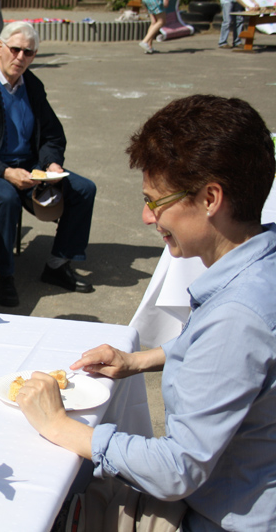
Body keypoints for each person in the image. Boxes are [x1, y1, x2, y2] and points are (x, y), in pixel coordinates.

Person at [16, 95, 276, 531]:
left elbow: (177, 469)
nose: (145, 216)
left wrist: (61, 426)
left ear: (211, 198)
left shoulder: (238, 315)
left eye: (155, 201)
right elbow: (227, 358)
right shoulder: (260, 262)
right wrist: (138, 360)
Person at [0, 22, 97, 308]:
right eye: (15, 49)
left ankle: (57, 264)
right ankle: (5, 276)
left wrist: (53, 163)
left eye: (28, 52)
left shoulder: (32, 85)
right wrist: (6, 172)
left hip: (29, 166)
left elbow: (52, 134)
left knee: (83, 189)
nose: (20, 57)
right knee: (6, 197)